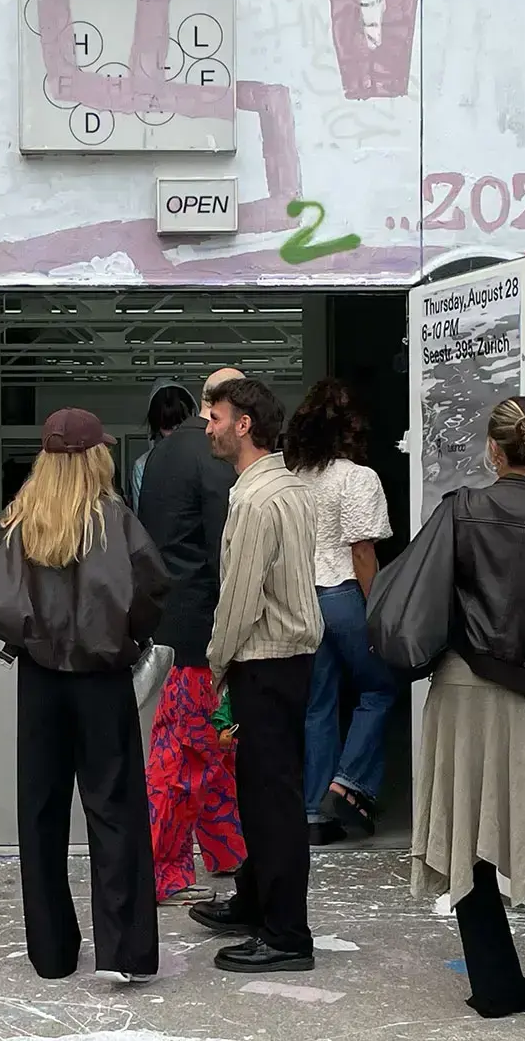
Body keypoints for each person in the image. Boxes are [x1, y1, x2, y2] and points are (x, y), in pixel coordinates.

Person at [396, 397, 525, 1024]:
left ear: (493, 450)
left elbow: (417, 602)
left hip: (461, 694)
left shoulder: (457, 512)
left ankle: (496, 986)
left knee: (468, 836)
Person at [0, 407, 169, 985]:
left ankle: (51, 954)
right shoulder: (115, 521)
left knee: (41, 810)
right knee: (115, 809)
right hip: (102, 679)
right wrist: (127, 638)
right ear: (97, 456)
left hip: (40, 679)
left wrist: (29, 633)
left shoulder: (20, 519)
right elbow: (152, 589)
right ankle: (124, 952)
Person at [187, 377, 323, 974]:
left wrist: (216, 662)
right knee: (268, 792)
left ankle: (286, 934)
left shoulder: (253, 500)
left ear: (244, 425)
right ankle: (255, 901)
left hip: (263, 662)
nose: (208, 426)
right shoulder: (290, 488)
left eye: (215, 417)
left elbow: (239, 598)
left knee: (271, 801)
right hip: (287, 661)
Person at [138, 368, 248, 905]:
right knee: (182, 755)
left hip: (169, 622)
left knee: (210, 748)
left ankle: (231, 854)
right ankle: (160, 870)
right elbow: (222, 551)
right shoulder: (212, 458)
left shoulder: (161, 454)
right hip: (202, 630)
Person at [284, 378, 396, 845]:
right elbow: (362, 551)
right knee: (381, 689)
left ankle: (314, 814)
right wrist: (379, 609)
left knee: (319, 704)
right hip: (344, 595)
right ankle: (346, 785)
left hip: (302, 597)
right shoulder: (357, 477)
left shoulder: (293, 479)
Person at [130, 379, 199, 504]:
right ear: (156, 427)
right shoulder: (143, 467)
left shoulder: (208, 460)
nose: (175, 433)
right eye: (167, 427)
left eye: (180, 424)